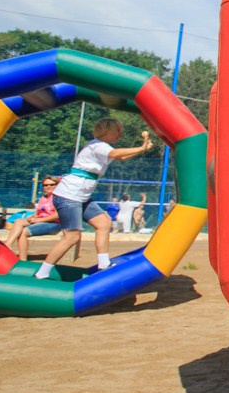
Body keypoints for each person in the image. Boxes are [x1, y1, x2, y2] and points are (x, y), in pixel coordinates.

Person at [35, 119, 153, 279]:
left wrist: (142, 149)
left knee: (104, 223)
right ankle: (42, 273)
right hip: (69, 195)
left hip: (80, 197)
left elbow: (120, 158)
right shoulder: (97, 145)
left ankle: (103, 263)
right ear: (107, 131)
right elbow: (116, 154)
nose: (121, 134)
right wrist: (141, 147)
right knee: (72, 237)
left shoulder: (103, 148)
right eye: (118, 130)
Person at [4, 176, 66, 259]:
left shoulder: (58, 198)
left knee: (24, 232)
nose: (48, 187)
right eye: (45, 185)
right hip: (41, 221)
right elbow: (39, 212)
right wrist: (33, 216)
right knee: (19, 221)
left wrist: (38, 220)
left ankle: (22, 259)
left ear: (57, 185)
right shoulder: (43, 198)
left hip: (54, 224)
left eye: (52, 184)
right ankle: (8, 244)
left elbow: (57, 215)